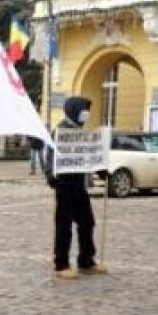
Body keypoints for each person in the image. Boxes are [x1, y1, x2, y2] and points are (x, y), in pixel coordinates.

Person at [45, 96, 106, 279]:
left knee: (87, 222)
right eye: (83, 110)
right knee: (64, 225)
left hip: (79, 184)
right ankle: (61, 263)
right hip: (64, 184)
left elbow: (89, 155)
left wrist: (101, 169)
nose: (86, 114)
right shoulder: (60, 132)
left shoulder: (82, 131)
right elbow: (49, 154)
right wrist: (50, 174)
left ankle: (86, 260)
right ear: (73, 110)